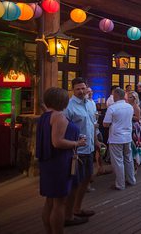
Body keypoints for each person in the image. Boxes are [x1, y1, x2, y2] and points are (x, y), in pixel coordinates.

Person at [36, 87, 86, 233]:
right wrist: (78, 143)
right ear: (63, 100)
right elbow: (57, 142)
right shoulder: (59, 117)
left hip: (47, 162)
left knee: (50, 201)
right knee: (59, 203)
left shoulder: (45, 115)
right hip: (59, 162)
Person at [64, 77, 101, 225]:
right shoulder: (69, 106)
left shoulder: (91, 104)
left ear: (87, 88)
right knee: (74, 183)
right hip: (76, 151)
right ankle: (68, 215)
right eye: (78, 88)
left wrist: (97, 141)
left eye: (83, 88)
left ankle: (77, 209)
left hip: (90, 148)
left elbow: (92, 125)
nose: (81, 91)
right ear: (73, 89)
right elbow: (64, 129)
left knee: (86, 179)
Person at [103, 88, 136, 190]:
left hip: (116, 137)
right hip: (127, 136)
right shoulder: (129, 107)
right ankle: (131, 180)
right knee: (128, 159)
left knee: (118, 161)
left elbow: (105, 124)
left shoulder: (112, 108)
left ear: (116, 96)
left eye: (113, 95)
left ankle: (120, 184)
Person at [126, 91, 141, 172]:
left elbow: (138, 118)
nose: (128, 98)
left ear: (134, 98)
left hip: (135, 127)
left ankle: (136, 164)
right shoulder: (128, 106)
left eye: (130, 97)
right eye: (128, 97)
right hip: (129, 126)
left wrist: (129, 116)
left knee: (135, 144)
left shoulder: (136, 107)